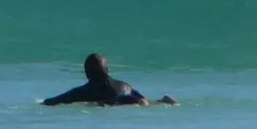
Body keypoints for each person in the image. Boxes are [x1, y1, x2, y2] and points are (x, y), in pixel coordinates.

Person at [43, 53, 177, 107]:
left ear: (87, 73)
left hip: (114, 102)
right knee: (146, 103)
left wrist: (45, 102)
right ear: (107, 69)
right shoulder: (124, 85)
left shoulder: (84, 91)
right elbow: (144, 99)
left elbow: (57, 100)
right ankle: (164, 101)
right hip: (130, 99)